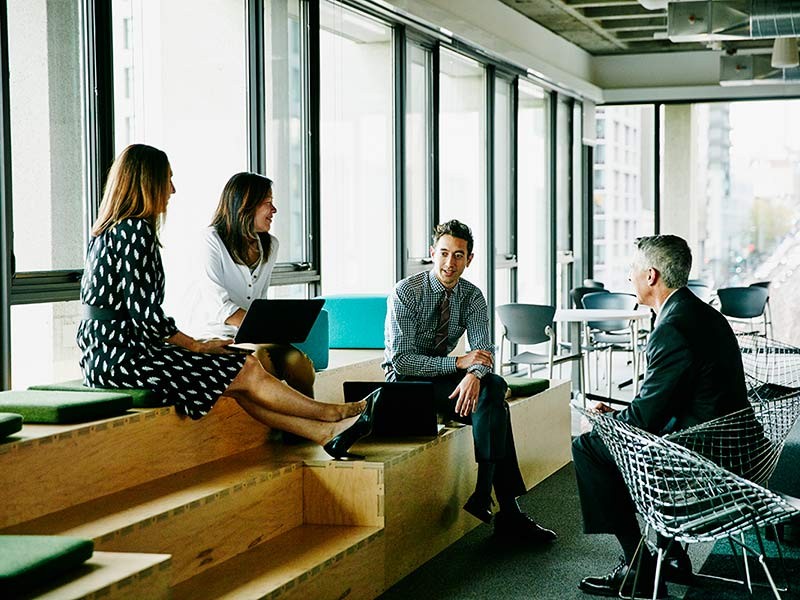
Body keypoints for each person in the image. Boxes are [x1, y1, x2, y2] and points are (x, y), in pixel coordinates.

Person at [77, 144, 373, 460]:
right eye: (168, 180)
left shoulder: (111, 230)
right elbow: (148, 319)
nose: (173, 190)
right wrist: (196, 345)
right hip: (124, 358)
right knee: (244, 366)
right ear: (147, 182)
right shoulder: (136, 231)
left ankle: (326, 433)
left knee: (238, 377)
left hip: (106, 354)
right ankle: (330, 414)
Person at [572, 234, 749, 599]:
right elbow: (670, 401)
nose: (629, 276)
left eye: (633, 269)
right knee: (621, 435)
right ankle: (670, 553)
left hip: (709, 455)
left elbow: (645, 420)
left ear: (651, 276)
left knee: (588, 448)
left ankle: (638, 566)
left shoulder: (672, 327)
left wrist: (608, 423)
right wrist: (622, 415)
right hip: (733, 440)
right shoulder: (699, 313)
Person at [383, 219, 556, 543]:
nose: (450, 263)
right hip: (406, 385)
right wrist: (459, 363)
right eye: (445, 253)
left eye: (459, 255)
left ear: (469, 259)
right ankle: (506, 511)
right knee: (497, 407)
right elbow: (401, 361)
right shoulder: (406, 292)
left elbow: (484, 350)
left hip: (445, 382)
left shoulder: (472, 296)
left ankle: (484, 496)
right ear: (432, 253)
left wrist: (474, 375)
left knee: (492, 386)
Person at [183, 172, 315, 398]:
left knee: (298, 362)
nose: (274, 211)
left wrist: (272, 329)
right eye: (268, 204)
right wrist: (268, 329)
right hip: (216, 336)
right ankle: (281, 428)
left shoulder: (270, 245)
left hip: (252, 337)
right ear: (245, 206)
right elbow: (219, 307)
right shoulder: (211, 240)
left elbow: (260, 301)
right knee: (261, 358)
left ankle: (304, 429)